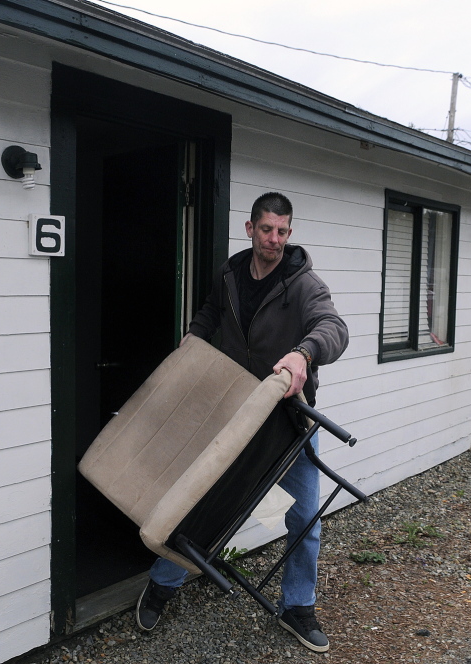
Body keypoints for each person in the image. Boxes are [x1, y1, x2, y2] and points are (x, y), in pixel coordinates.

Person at [135, 192, 349, 653]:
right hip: (232, 413)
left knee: (306, 516)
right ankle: (163, 584)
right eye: (267, 229)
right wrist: (192, 341)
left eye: (283, 231)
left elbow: (334, 328)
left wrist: (303, 354)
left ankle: (298, 606)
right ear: (250, 228)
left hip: (288, 421)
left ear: (290, 234)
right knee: (201, 503)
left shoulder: (305, 284)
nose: (274, 239)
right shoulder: (229, 274)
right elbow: (212, 314)